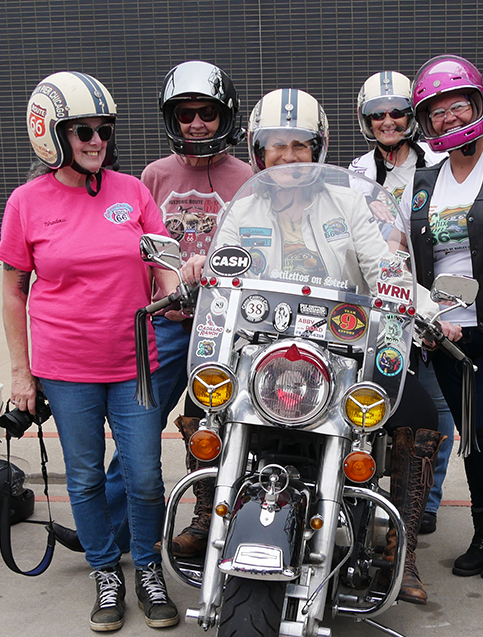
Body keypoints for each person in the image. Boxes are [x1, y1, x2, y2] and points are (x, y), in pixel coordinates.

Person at [180, 87, 446, 604]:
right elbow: (222, 266)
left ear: (318, 149)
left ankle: (402, 548)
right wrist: (198, 274)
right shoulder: (244, 208)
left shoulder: (348, 201)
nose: (288, 155)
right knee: (201, 400)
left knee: (418, 414)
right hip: (264, 350)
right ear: (258, 152)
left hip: (341, 349)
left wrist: (427, 307)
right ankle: (206, 507)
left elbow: (382, 267)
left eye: (299, 144)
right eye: (275, 145)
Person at [0, 72, 179, 632]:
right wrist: (22, 376)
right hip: (65, 369)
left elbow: (164, 264)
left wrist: (175, 296)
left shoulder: (134, 192)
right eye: (83, 131)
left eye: (103, 130)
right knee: (84, 479)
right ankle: (106, 572)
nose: (97, 140)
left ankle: (146, 566)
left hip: (134, 365)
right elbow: (12, 292)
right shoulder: (27, 203)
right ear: (51, 135)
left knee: (145, 475)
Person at [105, 61, 252, 552]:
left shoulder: (248, 177)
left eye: (206, 113)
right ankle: (112, 530)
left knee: (224, 426)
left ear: (223, 114)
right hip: (167, 323)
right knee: (138, 425)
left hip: (229, 328)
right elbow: (138, 247)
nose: (196, 124)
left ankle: (220, 522)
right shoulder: (155, 174)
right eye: (186, 114)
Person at [398, 55, 483, 580]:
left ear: (479, 104)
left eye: (459, 106)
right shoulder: (420, 182)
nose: (450, 118)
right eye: (437, 112)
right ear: (425, 123)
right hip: (444, 333)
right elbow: (395, 252)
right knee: (471, 438)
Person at [349, 70, 454, 536]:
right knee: (367, 404)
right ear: (365, 120)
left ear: (412, 116)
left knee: (436, 407)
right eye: (377, 115)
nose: (388, 121)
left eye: (397, 112)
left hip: (428, 295)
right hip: (377, 302)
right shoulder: (354, 173)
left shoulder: (438, 163)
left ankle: (421, 504)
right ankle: (360, 497)